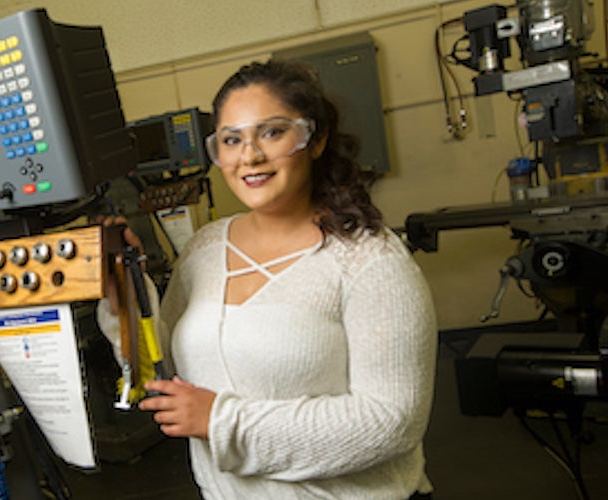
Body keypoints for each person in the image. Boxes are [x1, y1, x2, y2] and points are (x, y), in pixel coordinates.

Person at [98, 59, 437, 499]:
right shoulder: (205, 249)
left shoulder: (370, 259)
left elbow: (392, 421)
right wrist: (124, 292)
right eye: (231, 140)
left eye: (272, 132)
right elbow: (159, 372)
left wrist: (222, 423)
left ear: (316, 140)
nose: (250, 156)